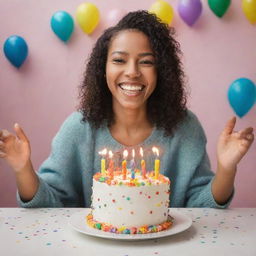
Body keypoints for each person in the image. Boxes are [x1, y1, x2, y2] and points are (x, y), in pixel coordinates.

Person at [0, 11, 254, 208]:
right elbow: (49, 204)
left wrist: (226, 168)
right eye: (119, 60)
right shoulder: (78, 128)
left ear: (162, 72)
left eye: (146, 62)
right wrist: (23, 168)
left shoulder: (185, 127)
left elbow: (202, 209)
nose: (132, 71)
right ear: (103, 69)